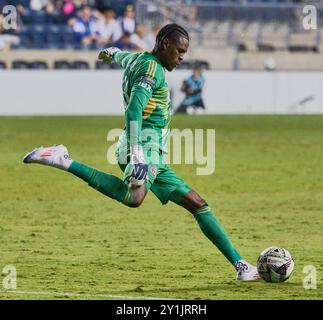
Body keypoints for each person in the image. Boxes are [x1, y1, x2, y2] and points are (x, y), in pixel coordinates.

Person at [23, 23, 259, 281]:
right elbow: (134, 111)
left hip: (150, 150)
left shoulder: (138, 59)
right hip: (143, 148)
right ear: (165, 44)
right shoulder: (151, 69)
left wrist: (111, 53)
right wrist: (137, 153)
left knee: (198, 205)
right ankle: (63, 160)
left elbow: (121, 56)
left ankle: (241, 266)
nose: (182, 57)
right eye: (179, 51)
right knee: (134, 198)